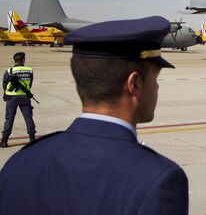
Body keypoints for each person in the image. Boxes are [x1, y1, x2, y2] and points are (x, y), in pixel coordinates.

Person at [0, 16, 189, 215]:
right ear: (134, 84)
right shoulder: (159, 180)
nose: (157, 86)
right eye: (155, 78)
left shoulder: (20, 163)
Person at [1, 51, 36, 147]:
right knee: (28, 118)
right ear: (23, 60)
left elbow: (4, 85)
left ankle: (4, 141)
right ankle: (32, 138)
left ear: (14, 60)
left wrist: (6, 94)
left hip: (11, 98)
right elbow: (30, 84)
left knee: (9, 119)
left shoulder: (9, 71)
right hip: (25, 97)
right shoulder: (29, 70)